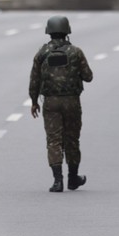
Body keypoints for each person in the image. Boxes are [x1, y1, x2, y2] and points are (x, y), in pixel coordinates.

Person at [28, 16, 93, 192]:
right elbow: (88, 76)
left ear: (48, 31)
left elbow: (34, 80)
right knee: (72, 139)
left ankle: (58, 181)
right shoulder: (76, 52)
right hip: (72, 101)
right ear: (67, 31)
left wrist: (34, 102)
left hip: (50, 103)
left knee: (54, 140)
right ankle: (73, 178)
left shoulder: (41, 54)